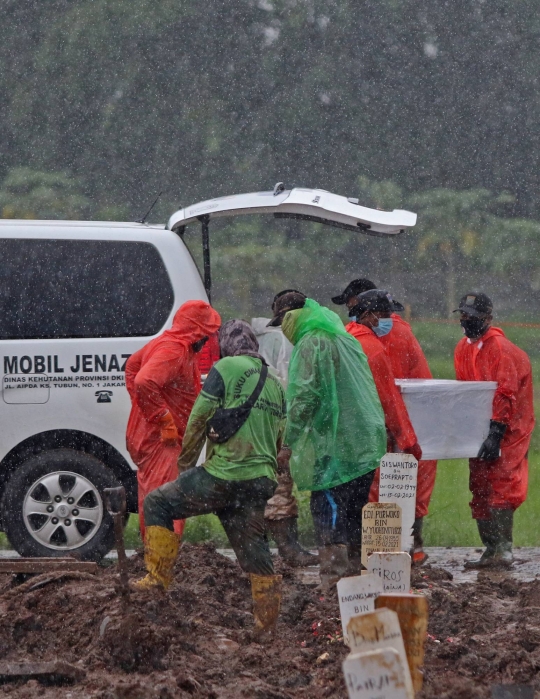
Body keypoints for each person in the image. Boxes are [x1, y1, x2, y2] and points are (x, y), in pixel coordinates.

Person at [133, 320, 287, 636]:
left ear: (225, 347)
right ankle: (266, 627)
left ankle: (156, 582)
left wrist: (187, 465)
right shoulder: (275, 382)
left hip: (223, 475)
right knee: (255, 554)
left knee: (157, 504)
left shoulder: (226, 368)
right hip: (259, 481)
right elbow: (280, 438)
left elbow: (200, 417)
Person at [267, 291, 387, 588]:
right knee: (355, 510)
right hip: (362, 442)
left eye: (282, 321)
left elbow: (304, 398)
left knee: (328, 506)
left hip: (334, 445)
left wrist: (288, 443)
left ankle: (334, 581)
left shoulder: (312, 343)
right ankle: (359, 579)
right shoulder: (343, 338)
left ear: (290, 317)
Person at [333, 278, 436, 564]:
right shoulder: (373, 347)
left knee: (356, 496)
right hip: (378, 431)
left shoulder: (344, 337)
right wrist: (408, 437)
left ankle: (355, 554)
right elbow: (392, 398)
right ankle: (391, 552)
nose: (388, 320)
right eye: (385, 315)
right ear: (372, 315)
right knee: (392, 490)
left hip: (352, 434)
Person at [125, 300, 221, 540]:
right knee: (166, 502)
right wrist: (162, 418)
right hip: (161, 441)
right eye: (206, 333)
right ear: (195, 330)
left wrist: (141, 407)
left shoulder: (169, 344)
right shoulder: (173, 349)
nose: (208, 339)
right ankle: (164, 563)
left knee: (154, 497)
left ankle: (157, 557)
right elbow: (143, 381)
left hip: (156, 437)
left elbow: (131, 367)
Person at [454, 292, 534, 568]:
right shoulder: (463, 348)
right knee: (479, 484)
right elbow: (465, 393)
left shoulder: (501, 349)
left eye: (472, 316)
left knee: (502, 482)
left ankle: (503, 549)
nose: (466, 321)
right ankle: (490, 549)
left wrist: (496, 432)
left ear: (487, 319)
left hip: (510, 430)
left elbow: (506, 393)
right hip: (480, 428)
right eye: (463, 315)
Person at [253, 291, 318, 567]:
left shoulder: (290, 337)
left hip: (278, 417)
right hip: (280, 418)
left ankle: (269, 548)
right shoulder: (292, 338)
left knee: (277, 481)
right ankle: (287, 548)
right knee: (280, 481)